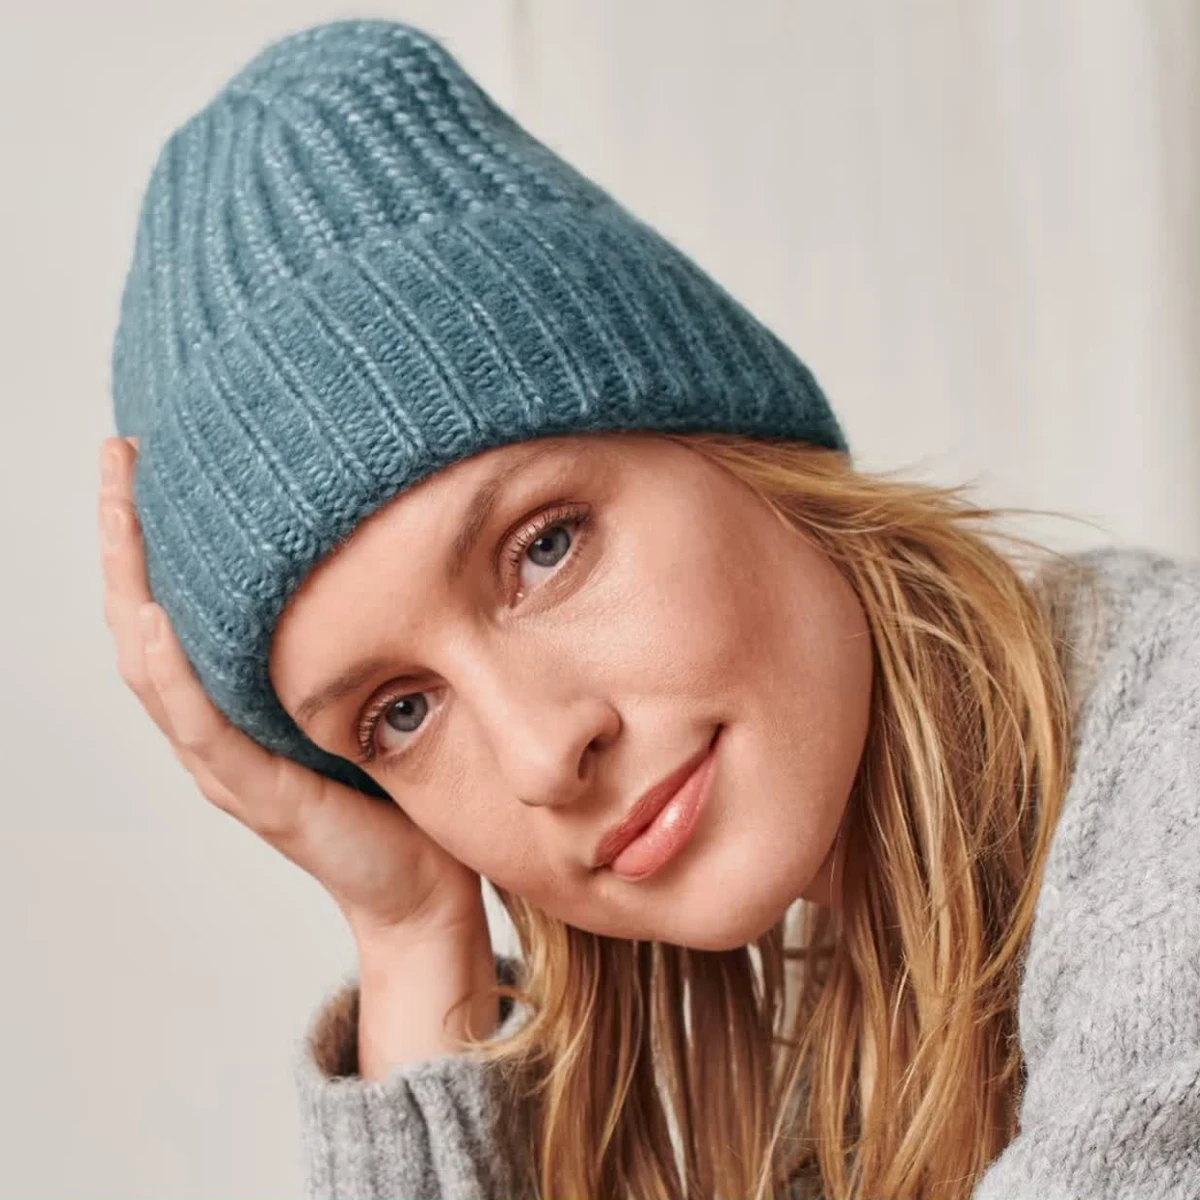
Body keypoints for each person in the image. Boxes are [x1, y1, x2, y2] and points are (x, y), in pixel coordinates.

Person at [97, 18, 1200, 1200]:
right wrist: (411, 931)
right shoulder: (850, 1056)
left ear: (734, 438)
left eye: (546, 547)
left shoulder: (1171, 782)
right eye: (401, 713)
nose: (540, 755)